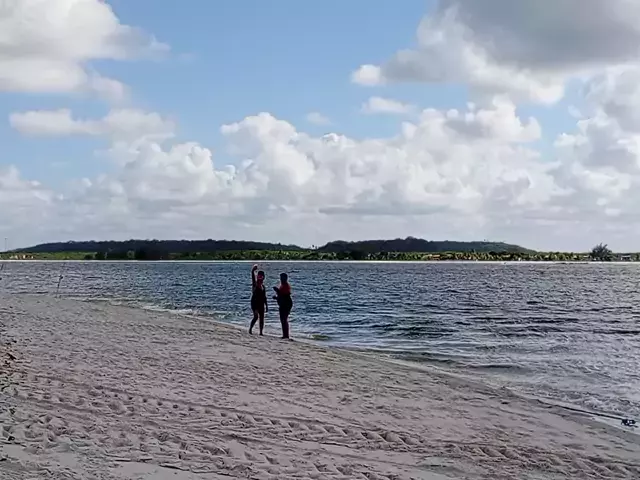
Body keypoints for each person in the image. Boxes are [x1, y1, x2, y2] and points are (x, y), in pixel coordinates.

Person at [273, 272, 293, 339]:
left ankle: (286, 335)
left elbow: (284, 295)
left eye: (283, 278)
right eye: (281, 278)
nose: (281, 279)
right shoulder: (282, 285)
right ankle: (285, 334)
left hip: (286, 303)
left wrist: (277, 291)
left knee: (284, 319)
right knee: (283, 319)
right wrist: (276, 297)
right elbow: (281, 296)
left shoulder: (286, 286)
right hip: (283, 303)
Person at [249, 265, 268, 335]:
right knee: (256, 316)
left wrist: (267, 305)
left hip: (261, 303)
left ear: (263, 278)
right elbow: (253, 279)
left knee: (262, 318)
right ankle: (250, 328)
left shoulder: (263, 287)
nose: (260, 278)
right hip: (255, 302)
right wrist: (252, 271)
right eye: (259, 276)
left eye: (262, 276)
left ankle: (261, 332)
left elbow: (264, 297)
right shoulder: (255, 284)